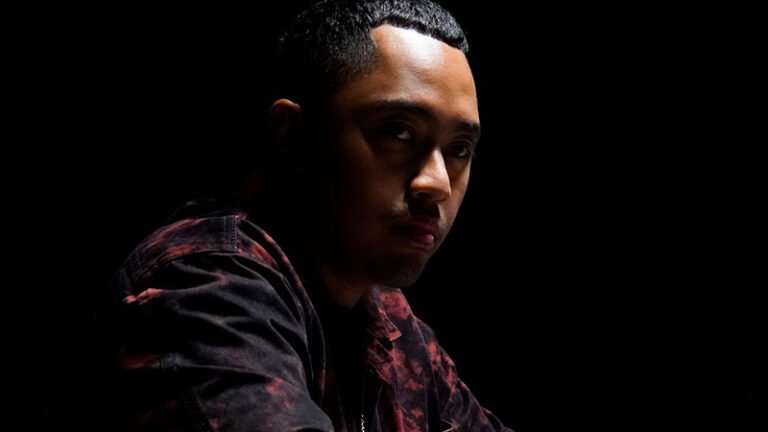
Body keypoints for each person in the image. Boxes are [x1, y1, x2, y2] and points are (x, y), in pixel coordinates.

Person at [107, 0, 511, 430]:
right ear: (293, 135)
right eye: (398, 132)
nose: (437, 183)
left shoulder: (390, 325)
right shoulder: (204, 286)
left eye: (459, 149)